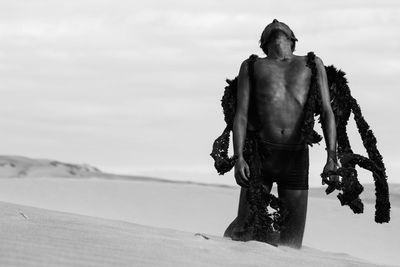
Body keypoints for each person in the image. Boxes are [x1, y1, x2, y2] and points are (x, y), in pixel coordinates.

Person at [224, 19, 339, 248]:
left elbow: (327, 111)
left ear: (293, 40)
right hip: (261, 156)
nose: (276, 22)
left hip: (295, 160)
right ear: (264, 44)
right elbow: (241, 115)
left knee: (291, 244)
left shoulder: (312, 63)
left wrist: (332, 157)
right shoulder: (251, 66)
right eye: (271, 25)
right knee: (243, 231)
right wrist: (239, 157)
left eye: (282, 25)